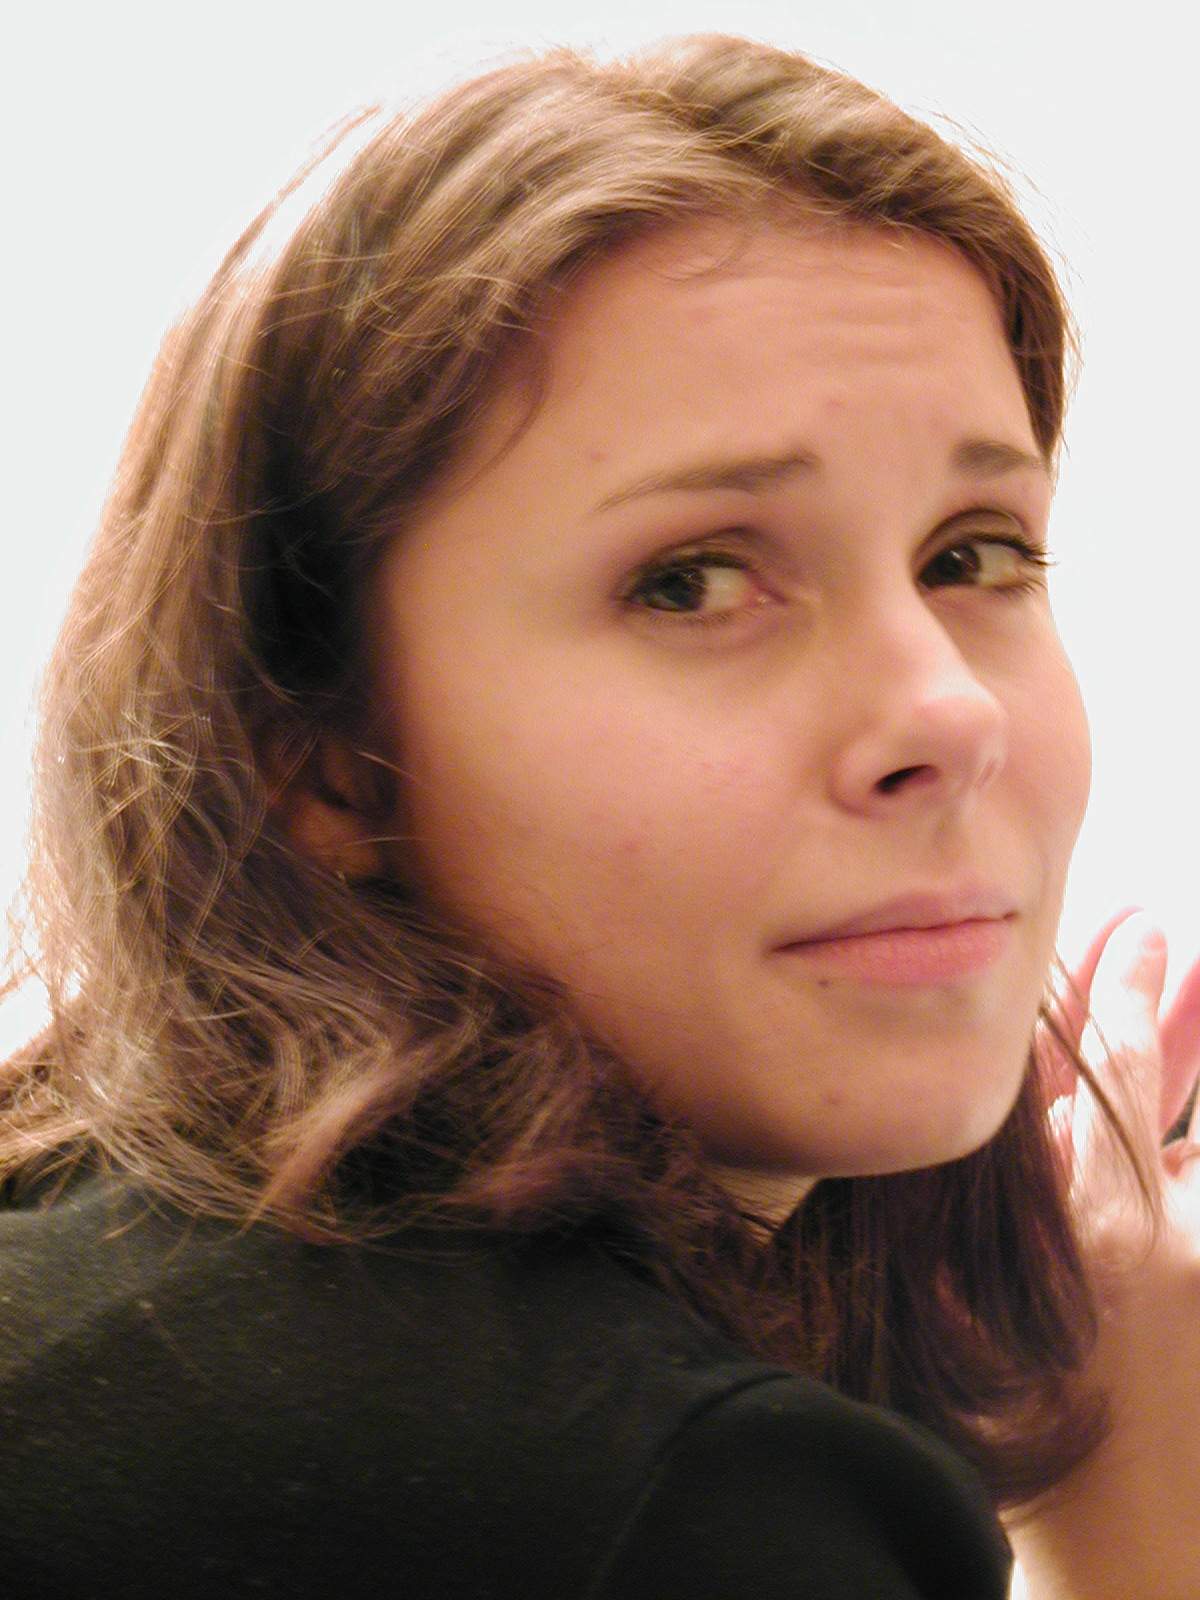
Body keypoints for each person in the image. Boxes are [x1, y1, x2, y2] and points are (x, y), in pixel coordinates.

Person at [1, 33, 1197, 1599]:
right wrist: (1141, 1532)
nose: (950, 714)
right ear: (323, 760)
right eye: (691, 581)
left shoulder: (105, 1244)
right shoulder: (657, 1495)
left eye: (974, 555)